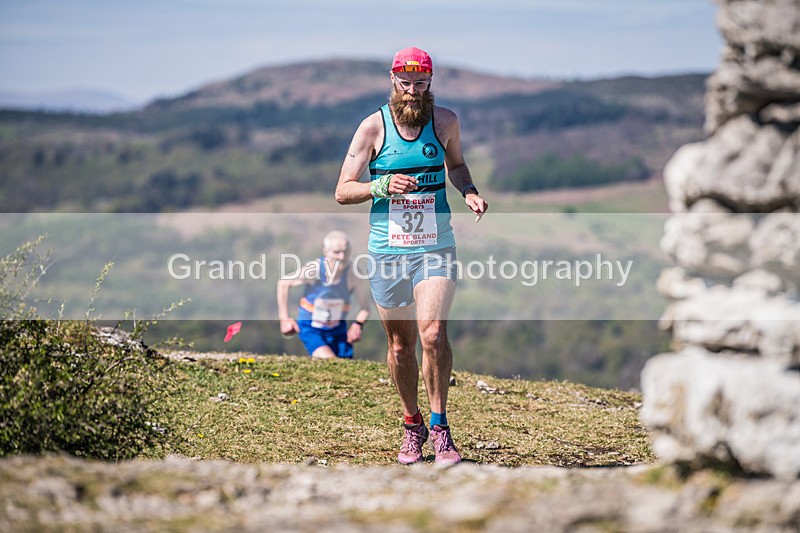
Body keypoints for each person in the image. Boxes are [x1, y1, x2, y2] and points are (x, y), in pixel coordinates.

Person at [335, 47, 488, 464]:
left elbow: (457, 166)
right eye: (405, 83)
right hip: (388, 250)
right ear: (393, 80)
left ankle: (440, 428)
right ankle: (412, 424)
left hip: (435, 245)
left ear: (430, 83)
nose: (412, 91)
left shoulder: (445, 122)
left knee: (434, 334)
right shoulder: (372, 127)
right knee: (401, 347)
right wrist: (381, 187)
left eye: (421, 84)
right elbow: (343, 190)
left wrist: (469, 192)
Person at [277, 230, 371, 359]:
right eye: (337, 252)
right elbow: (283, 283)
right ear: (326, 252)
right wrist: (284, 319)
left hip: (337, 330)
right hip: (310, 328)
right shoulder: (314, 269)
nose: (342, 257)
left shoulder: (353, 273)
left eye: (346, 251)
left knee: (346, 368)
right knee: (330, 360)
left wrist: (357, 325)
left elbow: (365, 307)